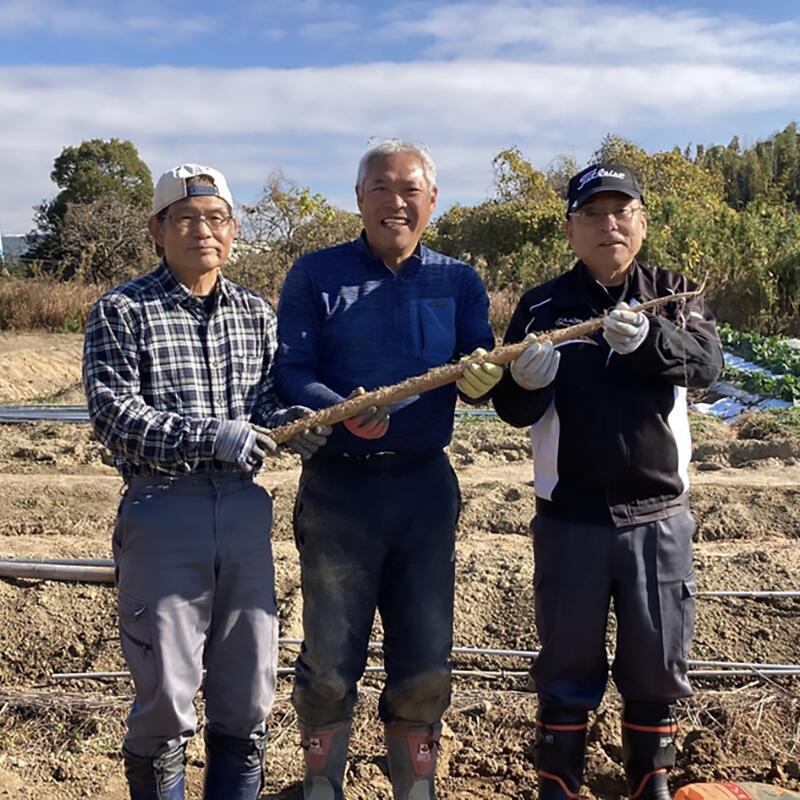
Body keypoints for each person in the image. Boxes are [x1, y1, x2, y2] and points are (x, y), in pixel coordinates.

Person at [83, 163, 330, 800]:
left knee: (248, 693)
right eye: (186, 219)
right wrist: (210, 436)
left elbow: (268, 405)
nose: (203, 231)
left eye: (216, 218)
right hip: (164, 507)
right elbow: (114, 417)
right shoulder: (121, 310)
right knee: (166, 693)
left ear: (233, 229)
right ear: (157, 229)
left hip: (245, 513)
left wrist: (300, 424)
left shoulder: (255, 312)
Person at [274, 139, 502, 800]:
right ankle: (322, 786)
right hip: (339, 493)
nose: (395, 202)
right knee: (329, 661)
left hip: (424, 490)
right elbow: (292, 371)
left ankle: (415, 789)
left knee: (426, 660)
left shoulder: (456, 281)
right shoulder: (316, 275)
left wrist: (486, 379)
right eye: (381, 187)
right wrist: (335, 410)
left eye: (410, 190)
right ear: (359, 198)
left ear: (432, 202)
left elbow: (476, 364)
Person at [491, 163, 723, 800]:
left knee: (656, 661)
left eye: (622, 212)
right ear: (571, 229)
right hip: (570, 518)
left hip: (658, 516)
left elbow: (706, 365)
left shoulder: (672, 294)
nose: (608, 225)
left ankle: (650, 778)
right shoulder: (542, 307)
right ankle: (558, 783)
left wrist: (650, 341)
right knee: (567, 663)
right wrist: (524, 383)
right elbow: (513, 410)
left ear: (642, 224)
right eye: (593, 214)